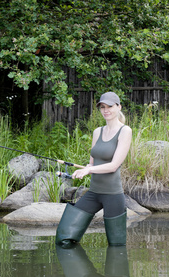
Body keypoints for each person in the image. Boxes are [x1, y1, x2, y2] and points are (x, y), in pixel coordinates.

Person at [55, 92, 132, 248]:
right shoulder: (98, 131)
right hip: (93, 193)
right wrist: (83, 170)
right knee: (63, 238)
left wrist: (89, 171)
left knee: (117, 247)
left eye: (110, 106)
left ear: (119, 107)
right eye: (102, 107)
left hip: (113, 195)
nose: (106, 110)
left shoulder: (125, 131)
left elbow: (114, 165)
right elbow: (91, 163)